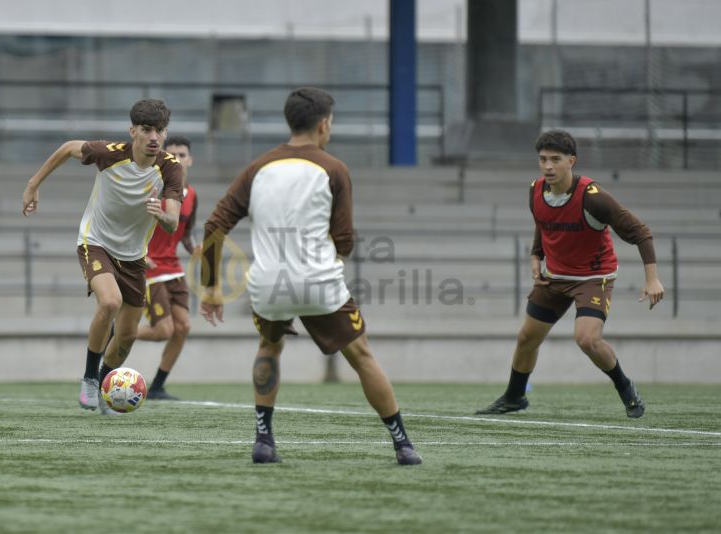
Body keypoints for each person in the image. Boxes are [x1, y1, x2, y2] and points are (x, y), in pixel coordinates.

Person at [199, 87, 422, 465]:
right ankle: (402, 444)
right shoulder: (334, 168)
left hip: (269, 285)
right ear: (323, 124)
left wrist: (210, 287)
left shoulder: (257, 168)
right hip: (320, 283)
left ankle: (264, 440)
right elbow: (345, 239)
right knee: (362, 355)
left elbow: (214, 225)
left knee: (269, 348)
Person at [476, 129, 665, 418]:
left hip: (593, 278)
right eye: (542, 159)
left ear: (572, 161)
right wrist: (536, 254)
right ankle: (514, 397)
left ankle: (625, 387)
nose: (548, 166)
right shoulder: (535, 190)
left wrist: (652, 279)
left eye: (556, 159)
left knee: (587, 339)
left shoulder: (593, 197)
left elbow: (641, 232)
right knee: (527, 337)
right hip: (555, 277)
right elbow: (542, 221)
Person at [22, 99, 184, 415]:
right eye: (147, 129)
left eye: (160, 130)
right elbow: (70, 147)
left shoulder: (170, 167)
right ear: (133, 131)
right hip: (94, 243)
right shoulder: (108, 154)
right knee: (109, 301)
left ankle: (105, 380)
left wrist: (160, 213)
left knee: (126, 336)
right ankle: (88, 380)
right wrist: (33, 185)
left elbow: (174, 220)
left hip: (134, 257)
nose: (154, 137)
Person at [136, 135, 199, 400]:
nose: (177, 159)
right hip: (150, 267)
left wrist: (195, 249)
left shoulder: (192, 195)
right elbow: (133, 227)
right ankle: (115, 332)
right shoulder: (152, 189)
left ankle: (158, 386)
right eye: (171, 155)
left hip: (173, 267)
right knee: (164, 331)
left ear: (190, 160)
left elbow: (186, 233)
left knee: (183, 327)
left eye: (182, 155)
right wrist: (140, 254)